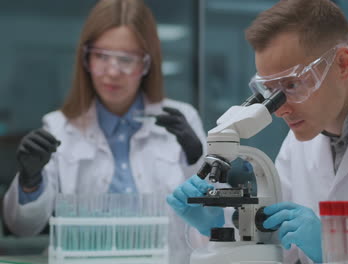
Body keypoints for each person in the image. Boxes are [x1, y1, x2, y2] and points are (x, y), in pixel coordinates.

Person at [166, 0, 348, 263]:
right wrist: (217, 229)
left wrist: (336, 248)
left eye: (292, 85)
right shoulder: (299, 144)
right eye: (269, 92)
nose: (280, 108)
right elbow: (279, 252)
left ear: (342, 63)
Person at [3, 0, 205, 262]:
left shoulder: (182, 119)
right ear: (86, 58)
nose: (112, 72)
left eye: (126, 59)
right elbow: (23, 227)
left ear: (146, 64)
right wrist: (30, 182)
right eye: (101, 56)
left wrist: (196, 158)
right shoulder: (59, 127)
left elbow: (213, 219)